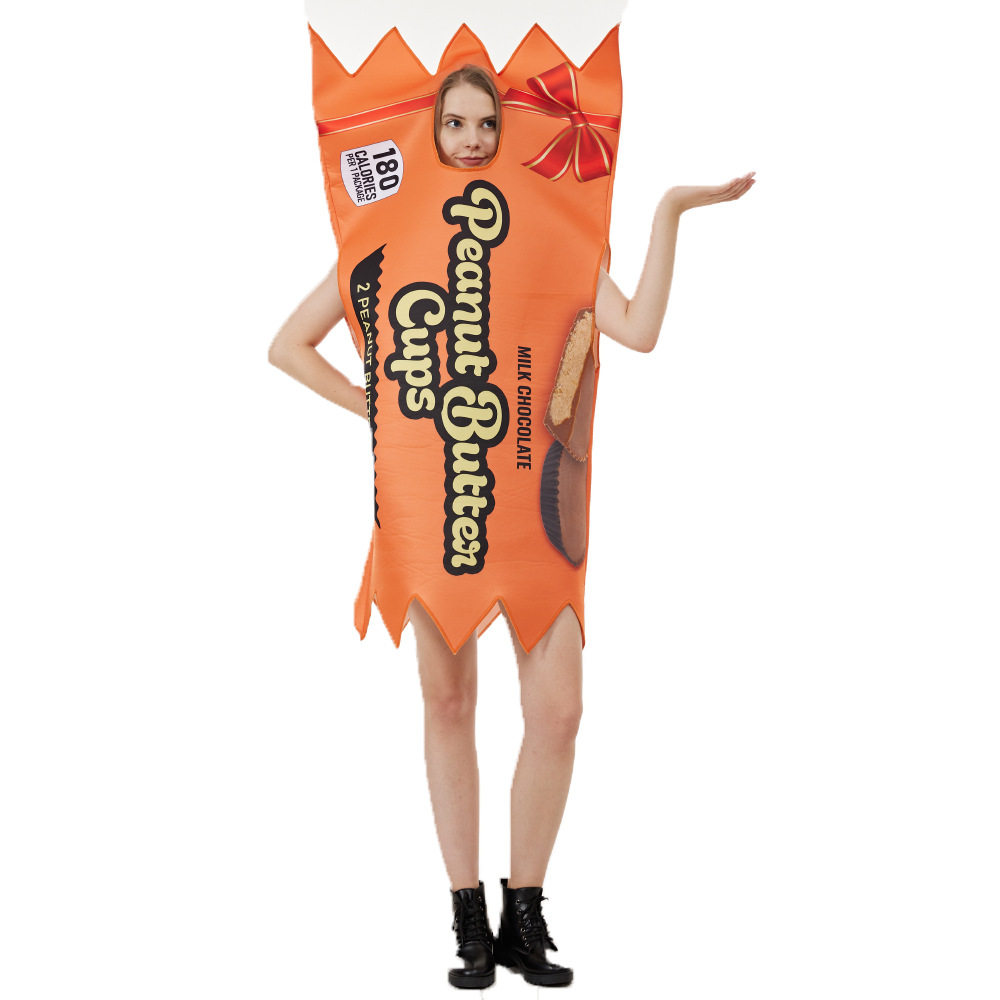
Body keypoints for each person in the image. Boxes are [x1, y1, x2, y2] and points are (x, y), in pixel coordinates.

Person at [269, 64, 755, 989]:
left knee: (558, 711)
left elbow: (638, 330)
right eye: (454, 124)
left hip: (537, 503)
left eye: (486, 123)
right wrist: (378, 407)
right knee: (448, 702)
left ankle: (524, 913)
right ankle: (467, 919)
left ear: (505, 131)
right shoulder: (387, 233)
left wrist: (669, 211)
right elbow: (288, 346)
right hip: (432, 500)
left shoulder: (557, 231)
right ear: (431, 132)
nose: (471, 140)